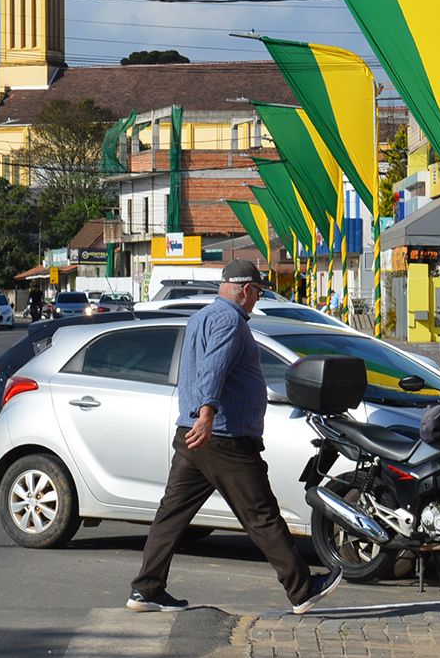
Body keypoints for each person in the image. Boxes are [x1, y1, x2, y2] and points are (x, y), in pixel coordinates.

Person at [127, 259, 342, 616]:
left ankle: (147, 589)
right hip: (223, 438)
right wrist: (208, 412)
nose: (257, 299)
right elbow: (214, 367)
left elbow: (198, 369)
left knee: (171, 515)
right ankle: (301, 589)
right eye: (257, 292)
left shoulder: (200, 318)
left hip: (192, 436)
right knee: (261, 515)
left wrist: (198, 417)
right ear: (245, 289)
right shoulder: (229, 321)